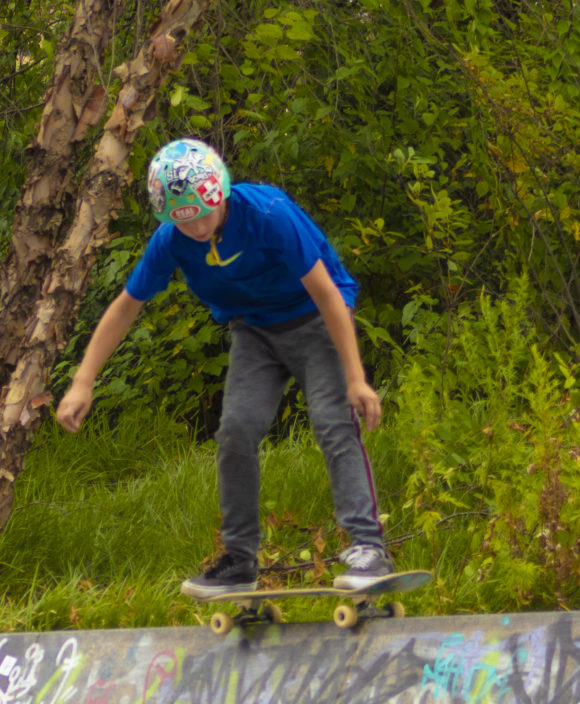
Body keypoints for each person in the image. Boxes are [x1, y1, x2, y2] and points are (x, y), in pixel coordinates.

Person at [55, 137, 394, 598]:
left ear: (220, 194)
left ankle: (369, 548)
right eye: (181, 219)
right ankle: (239, 561)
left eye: (200, 214)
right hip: (254, 330)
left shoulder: (269, 216)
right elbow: (125, 307)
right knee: (235, 429)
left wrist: (356, 378)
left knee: (333, 422)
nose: (194, 228)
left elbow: (328, 294)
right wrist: (82, 381)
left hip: (316, 321)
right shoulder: (171, 240)